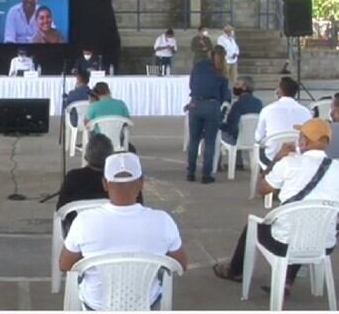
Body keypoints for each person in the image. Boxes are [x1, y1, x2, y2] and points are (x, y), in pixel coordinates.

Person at [213, 118, 339, 296]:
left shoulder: (289, 163)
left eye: (300, 136)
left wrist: (278, 158)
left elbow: (263, 189)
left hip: (284, 244)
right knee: (305, 227)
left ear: (305, 141)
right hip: (324, 243)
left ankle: (235, 271)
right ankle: (287, 280)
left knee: (255, 228)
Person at [60, 153, 187, 311]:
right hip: (146, 304)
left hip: (97, 306)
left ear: (105, 184)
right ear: (141, 183)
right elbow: (181, 264)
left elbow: (65, 264)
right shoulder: (163, 221)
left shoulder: (84, 221)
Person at [56, 134, 146, 233]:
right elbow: (138, 207)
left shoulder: (73, 177)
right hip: (118, 230)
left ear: (86, 157)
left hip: (77, 232)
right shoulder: (119, 182)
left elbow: (61, 209)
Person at [186, 45, 231, 183]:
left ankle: (191, 172)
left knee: (194, 140)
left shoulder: (198, 66)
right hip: (212, 105)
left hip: (195, 103)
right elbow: (225, 95)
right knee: (210, 142)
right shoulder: (221, 72)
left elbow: (191, 85)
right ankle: (206, 174)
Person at [255, 77, 312, 166]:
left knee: (259, 150)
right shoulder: (306, 111)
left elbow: (258, 137)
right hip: (298, 156)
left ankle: (267, 174)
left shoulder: (267, 110)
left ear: (279, 91)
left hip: (272, 158)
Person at [219, 76, 263, 169]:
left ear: (244, 87)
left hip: (238, 139)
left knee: (219, 133)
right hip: (253, 138)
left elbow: (231, 127)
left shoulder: (237, 104)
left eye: (237, 84)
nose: (234, 87)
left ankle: (216, 165)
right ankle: (238, 162)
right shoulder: (259, 103)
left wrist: (220, 125)